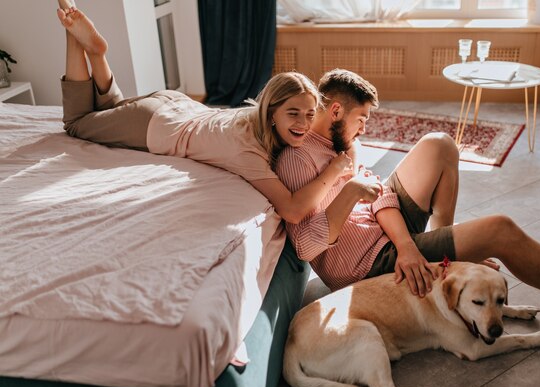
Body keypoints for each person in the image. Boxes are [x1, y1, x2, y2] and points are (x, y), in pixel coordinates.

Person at [275, 68, 540, 327]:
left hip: (391, 236)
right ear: (335, 112)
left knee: (439, 143)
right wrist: (352, 193)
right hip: (367, 263)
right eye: (361, 119)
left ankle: (449, 255)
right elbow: (307, 247)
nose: (365, 128)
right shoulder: (298, 159)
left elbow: (379, 195)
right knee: (500, 230)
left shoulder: (346, 144)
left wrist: (409, 245)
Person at [55, 2, 352, 224]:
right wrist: (335, 170)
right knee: (77, 123)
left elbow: (316, 131)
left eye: (310, 114)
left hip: (172, 106)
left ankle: (93, 51)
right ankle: (81, 44)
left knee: (108, 112)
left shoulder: (257, 120)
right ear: (272, 111)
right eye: (294, 114)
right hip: (154, 124)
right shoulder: (248, 152)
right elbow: (292, 210)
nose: (304, 123)